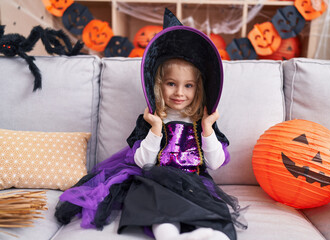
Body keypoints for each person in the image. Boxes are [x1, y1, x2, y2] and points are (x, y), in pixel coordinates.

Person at [55, 8, 247, 240]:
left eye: (188, 85)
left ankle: (205, 233)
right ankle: (170, 236)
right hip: (155, 179)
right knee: (154, 204)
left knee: (208, 212)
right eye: (171, 84)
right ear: (159, 85)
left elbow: (215, 163)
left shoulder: (201, 123)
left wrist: (207, 129)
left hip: (194, 180)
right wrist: (155, 129)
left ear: (198, 88)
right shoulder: (152, 120)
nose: (179, 92)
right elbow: (143, 162)